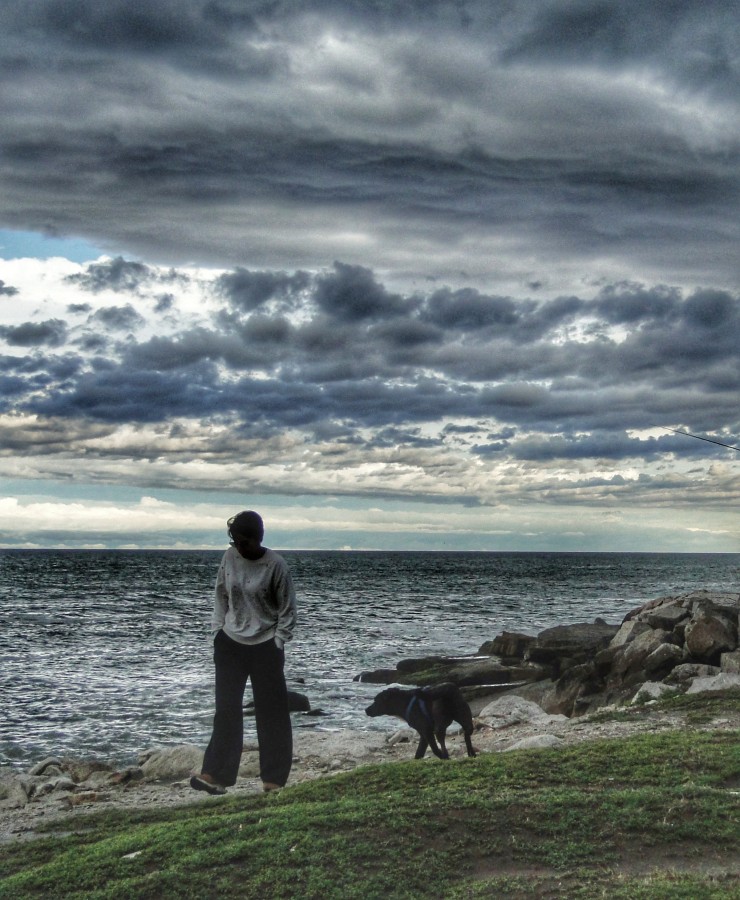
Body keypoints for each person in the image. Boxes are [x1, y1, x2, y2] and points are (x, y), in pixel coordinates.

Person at [191, 510, 297, 796]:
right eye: (235, 541)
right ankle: (215, 775)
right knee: (226, 711)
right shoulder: (229, 558)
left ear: (257, 538)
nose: (239, 547)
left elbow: (287, 611)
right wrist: (217, 632)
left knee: (272, 713)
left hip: (266, 646)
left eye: (244, 541)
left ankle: (273, 780)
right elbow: (220, 595)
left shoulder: (276, 566)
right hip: (230, 644)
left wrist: (278, 642)